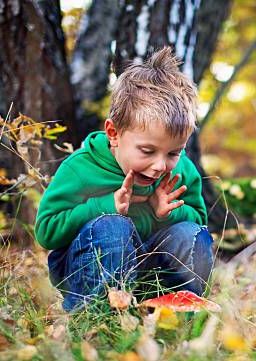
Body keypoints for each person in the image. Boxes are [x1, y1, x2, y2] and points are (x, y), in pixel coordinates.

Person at [35, 48, 213, 313]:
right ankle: (98, 318)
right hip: (90, 268)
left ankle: (173, 315)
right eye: (147, 151)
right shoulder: (82, 169)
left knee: (189, 234)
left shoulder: (181, 171)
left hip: (151, 270)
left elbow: (199, 222)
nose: (160, 165)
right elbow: (47, 231)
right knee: (112, 227)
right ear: (113, 133)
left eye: (174, 152)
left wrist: (165, 213)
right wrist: (102, 206)